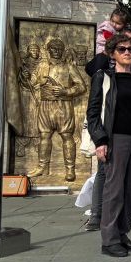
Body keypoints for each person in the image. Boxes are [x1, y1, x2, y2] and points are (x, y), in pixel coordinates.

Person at [86, 34, 131, 257]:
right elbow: (93, 112)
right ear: (112, 53)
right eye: (121, 49)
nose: (127, 52)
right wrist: (100, 140)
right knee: (114, 190)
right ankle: (109, 240)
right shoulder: (104, 78)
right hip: (115, 139)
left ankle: (122, 233)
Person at [27, 37, 88, 181]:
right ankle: (42, 167)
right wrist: (29, 77)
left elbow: (81, 87)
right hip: (45, 105)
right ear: (48, 50)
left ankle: (70, 169)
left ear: (63, 51)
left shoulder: (69, 67)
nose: (56, 51)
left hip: (63, 105)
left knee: (67, 136)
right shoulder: (41, 66)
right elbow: (32, 82)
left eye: (59, 49)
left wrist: (66, 92)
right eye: (53, 49)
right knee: (44, 136)